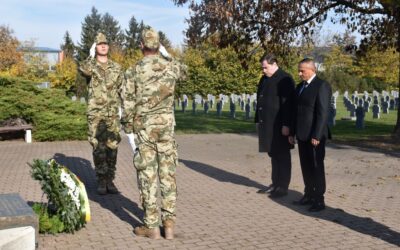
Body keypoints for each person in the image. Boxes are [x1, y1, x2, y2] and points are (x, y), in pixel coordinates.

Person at [121, 28, 186, 240]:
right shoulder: (171, 66)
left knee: (147, 175)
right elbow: (184, 72)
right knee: (168, 175)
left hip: (145, 129)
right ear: (159, 46)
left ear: (141, 45)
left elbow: (127, 103)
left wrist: (128, 127)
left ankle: (151, 226)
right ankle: (169, 225)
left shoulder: (133, 71)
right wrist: (168, 56)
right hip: (166, 128)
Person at [79, 33, 124, 195]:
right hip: (96, 114)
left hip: (112, 114)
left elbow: (123, 90)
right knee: (98, 147)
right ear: (95, 47)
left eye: (105, 43)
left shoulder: (116, 67)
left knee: (112, 147)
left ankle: (110, 179)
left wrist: (127, 111)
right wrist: (91, 56)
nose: (103, 46)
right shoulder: (90, 66)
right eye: (99, 44)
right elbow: (83, 69)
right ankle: (101, 180)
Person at [289, 58, 332, 212]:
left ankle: (319, 199)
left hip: (315, 136)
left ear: (312, 69)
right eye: (299, 70)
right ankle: (308, 194)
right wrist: (292, 132)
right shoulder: (300, 87)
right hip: (301, 134)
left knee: (316, 166)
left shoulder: (322, 86)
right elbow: (296, 112)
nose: (300, 74)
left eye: (302, 71)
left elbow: (322, 113)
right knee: (305, 166)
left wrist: (317, 135)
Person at [255, 54, 295, 198]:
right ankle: (275, 183)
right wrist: (257, 121)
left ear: (274, 63)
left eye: (265, 67)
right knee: (273, 154)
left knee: (282, 155)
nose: (263, 70)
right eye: (262, 68)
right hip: (267, 124)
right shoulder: (265, 78)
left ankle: (283, 186)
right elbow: (260, 100)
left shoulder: (284, 79)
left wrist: (287, 124)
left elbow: (288, 104)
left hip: (280, 125)